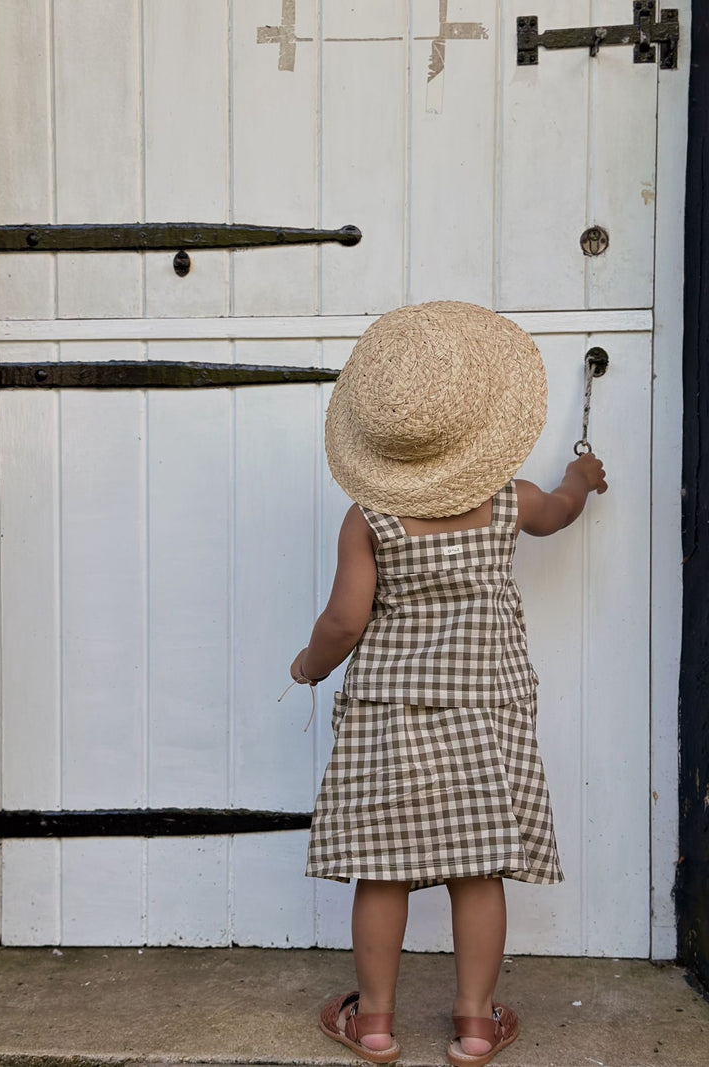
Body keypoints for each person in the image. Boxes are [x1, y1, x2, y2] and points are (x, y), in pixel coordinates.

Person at [288, 302, 607, 1067]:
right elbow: (560, 511)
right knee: (477, 866)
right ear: (472, 431)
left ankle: (374, 1024)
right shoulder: (507, 501)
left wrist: (308, 665)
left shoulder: (370, 518)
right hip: (484, 707)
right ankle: (472, 1024)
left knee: (383, 864)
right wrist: (580, 477)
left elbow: (343, 620)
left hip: (390, 714)